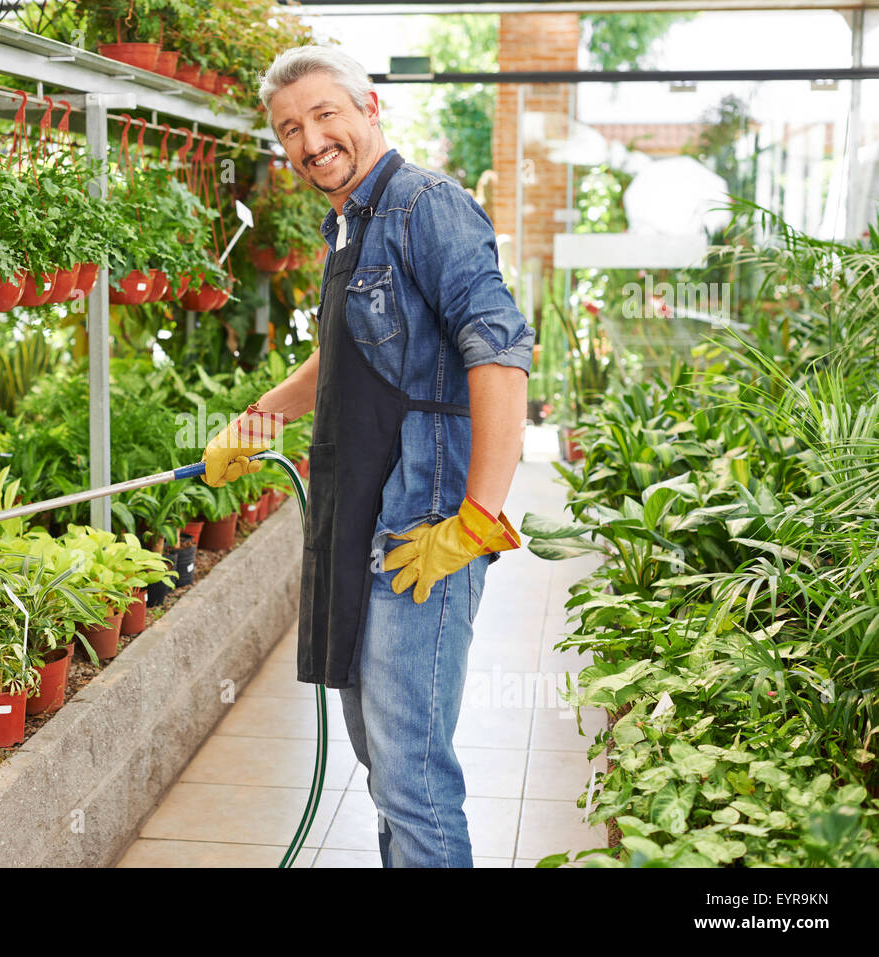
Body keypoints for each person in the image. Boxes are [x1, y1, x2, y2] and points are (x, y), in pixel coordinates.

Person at [200, 46, 534, 868]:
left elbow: (501, 353)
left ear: (369, 106)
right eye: (289, 130)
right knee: (383, 765)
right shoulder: (349, 223)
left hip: (425, 530)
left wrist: (477, 520)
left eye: (323, 116)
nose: (310, 142)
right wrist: (256, 420)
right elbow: (344, 356)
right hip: (360, 521)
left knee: (414, 781)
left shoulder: (426, 206)